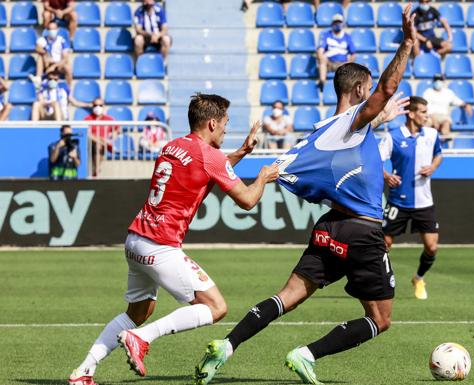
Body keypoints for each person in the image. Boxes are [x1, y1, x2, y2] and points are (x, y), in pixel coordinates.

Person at [194, 5, 417, 385]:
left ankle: (226, 346)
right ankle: (306, 354)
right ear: (360, 90)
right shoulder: (352, 121)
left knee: (288, 296)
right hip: (362, 231)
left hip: (330, 228)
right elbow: (387, 88)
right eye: (368, 94)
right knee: (381, 319)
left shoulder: (319, 133)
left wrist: (381, 118)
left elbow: (341, 139)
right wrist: (408, 44)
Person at [67, 94, 280, 385]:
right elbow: (247, 200)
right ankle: (141, 338)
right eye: (226, 124)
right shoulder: (211, 156)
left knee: (138, 312)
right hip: (160, 245)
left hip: (135, 240)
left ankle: (83, 372)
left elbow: (210, 168)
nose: (226, 130)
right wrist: (263, 177)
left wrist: (242, 151)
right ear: (212, 123)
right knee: (216, 307)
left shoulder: (173, 146)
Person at [378, 97, 442, 300]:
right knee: (383, 245)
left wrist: (433, 166)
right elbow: (376, 161)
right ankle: (380, 282)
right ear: (412, 114)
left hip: (424, 201)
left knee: (432, 247)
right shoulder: (393, 136)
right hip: (398, 201)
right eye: (423, 111)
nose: (427, 115)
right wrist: (387, 176)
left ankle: (419, 278)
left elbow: (439, 154)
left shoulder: (431, 135)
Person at [316, 14, 355, 92]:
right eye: (335, 22)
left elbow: (353, 54)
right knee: (322, 60)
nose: (337, 24)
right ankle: (322, 82)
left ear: (342, 24)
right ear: (332, 24)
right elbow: (320, 50)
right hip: (329, 63)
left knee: (351, 65)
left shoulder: (347, 37)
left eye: (339, 22)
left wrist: (349, 62)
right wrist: (322, 58)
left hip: (342, 64)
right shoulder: (326, 35)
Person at [84, 98, 117, 177]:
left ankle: (96, 170)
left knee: (99, 145)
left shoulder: (110, 119)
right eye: (95, 105)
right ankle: (97, 170)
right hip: (91, 143)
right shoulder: (87, 119)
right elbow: (87, 133)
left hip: (104, 144)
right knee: (97, 143)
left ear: (103, 106)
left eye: (100, 105)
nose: (98, 107)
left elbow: (116, 131)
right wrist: (102, 141)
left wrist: (111, 139)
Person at [35, 21, 73, 85]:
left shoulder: (61, 40)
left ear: (57, 30)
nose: (52, 31)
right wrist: (45, 53)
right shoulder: (42, 40)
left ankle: (68, 90)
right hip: (47, 62)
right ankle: (38, 78)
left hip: (58, 64)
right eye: (50, 29)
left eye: (54, 29)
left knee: (68, 68)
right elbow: (37, 48)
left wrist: (54, 66)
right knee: (40, 57)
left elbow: (65, 58)